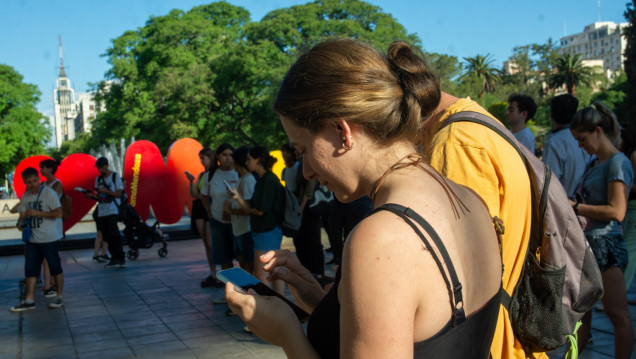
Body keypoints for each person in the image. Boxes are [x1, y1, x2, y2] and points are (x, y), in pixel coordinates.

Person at [225, 39, 502, 358]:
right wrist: (321, 300)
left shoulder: (381, 239)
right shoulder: (469, 199)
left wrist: (286, 333)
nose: (308, 172)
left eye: (303, 151)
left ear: (342, 132)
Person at [570, 102, 634, 359]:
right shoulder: (597, 163)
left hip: (606, 246)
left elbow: (617, 212)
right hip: (591, 246)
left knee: (616, 314)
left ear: (598, 131)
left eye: (582, 139)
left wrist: (576, 207)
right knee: (582, 314)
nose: (580, 146)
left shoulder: (617, 163)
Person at [229, 146, 286, 295]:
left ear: (258, 160)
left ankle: (269, 306)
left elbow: (260, 210)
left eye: (249, 159)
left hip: (266, 231)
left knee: (263, 274)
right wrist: (239, 199)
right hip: (268, 230)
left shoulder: (267, 180)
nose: (246, 162)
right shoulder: (264, 179)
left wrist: (243, 207)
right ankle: (279, 305)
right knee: (274, 271)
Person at [10, 167, 65, 311]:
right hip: (33, 240)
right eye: (28, 183)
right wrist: (20, 223)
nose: (32, 185)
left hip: (49, 238)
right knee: (30, 270)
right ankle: (29, 300)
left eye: (34, 181)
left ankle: (59, 296)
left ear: (38, 179)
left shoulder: (49, 193)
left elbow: (58, 213)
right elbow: (22, 213)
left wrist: (37, 213)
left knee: (55, 268)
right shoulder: (26, 196)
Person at [186, 147, 224, 288]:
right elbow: (195, 194)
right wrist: (191, 181)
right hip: (200, 207)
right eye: (200, 158)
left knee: (211, 243)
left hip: (211, 207)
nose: (201, 161)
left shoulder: (217, 174)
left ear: (211, 158)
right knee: (206, 244)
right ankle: (213, 272)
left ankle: (220, 271)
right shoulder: (202, 175)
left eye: (203, 158)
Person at [542, 94, 591, 197]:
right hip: (584, 203)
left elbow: (550, 182)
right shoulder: (586, 137)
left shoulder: (554, 142)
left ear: (551, 115)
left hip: (563, 203)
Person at [200, 143, 239, 273]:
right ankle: (231, 288)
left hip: (239, 222)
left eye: (231, 155)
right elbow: (204, 195)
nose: (228, 158)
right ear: (217, 156)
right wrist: (209, 213)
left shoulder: (240, 173)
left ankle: (247, 288)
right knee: (224, 259)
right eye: (224, 155)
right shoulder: (210, 175)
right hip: (218, 222)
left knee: (243, 257)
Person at [87, 157, 126, 268]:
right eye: (98, 168)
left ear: (106, 166)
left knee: (114, 233)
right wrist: (91, 196)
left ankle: (120, 257)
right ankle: (114, 257)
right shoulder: (98, 179)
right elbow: (100, 198)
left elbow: (119, 194)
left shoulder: (115, 177)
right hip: (102, 211)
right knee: (106, 236)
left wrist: (107, 191)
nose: (100, 170)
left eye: (101, 167)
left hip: (112, 210)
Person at [224, 145, 257, 274]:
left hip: (246, 229)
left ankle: (253, 290)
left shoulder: (248, 180)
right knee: (243, 262)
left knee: (249, 264)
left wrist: (230, 211)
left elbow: (248, 208)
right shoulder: (241, 179)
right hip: (239, 228)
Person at [38, 159, 64, 298]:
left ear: (49, 169)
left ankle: (49, 284)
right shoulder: (42, 184)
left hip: (53, 224)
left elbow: (48, 201)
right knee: (46, 257)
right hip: (43, 224)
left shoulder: (57, 184)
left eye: (42, 168)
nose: (41, 170)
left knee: (49, 256)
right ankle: (49, 283)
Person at [620, 125, 636, 301]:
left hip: (633, 206)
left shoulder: (633, 156)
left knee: (629, 251)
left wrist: (620, 187)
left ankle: (620, 293)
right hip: (630, 205)